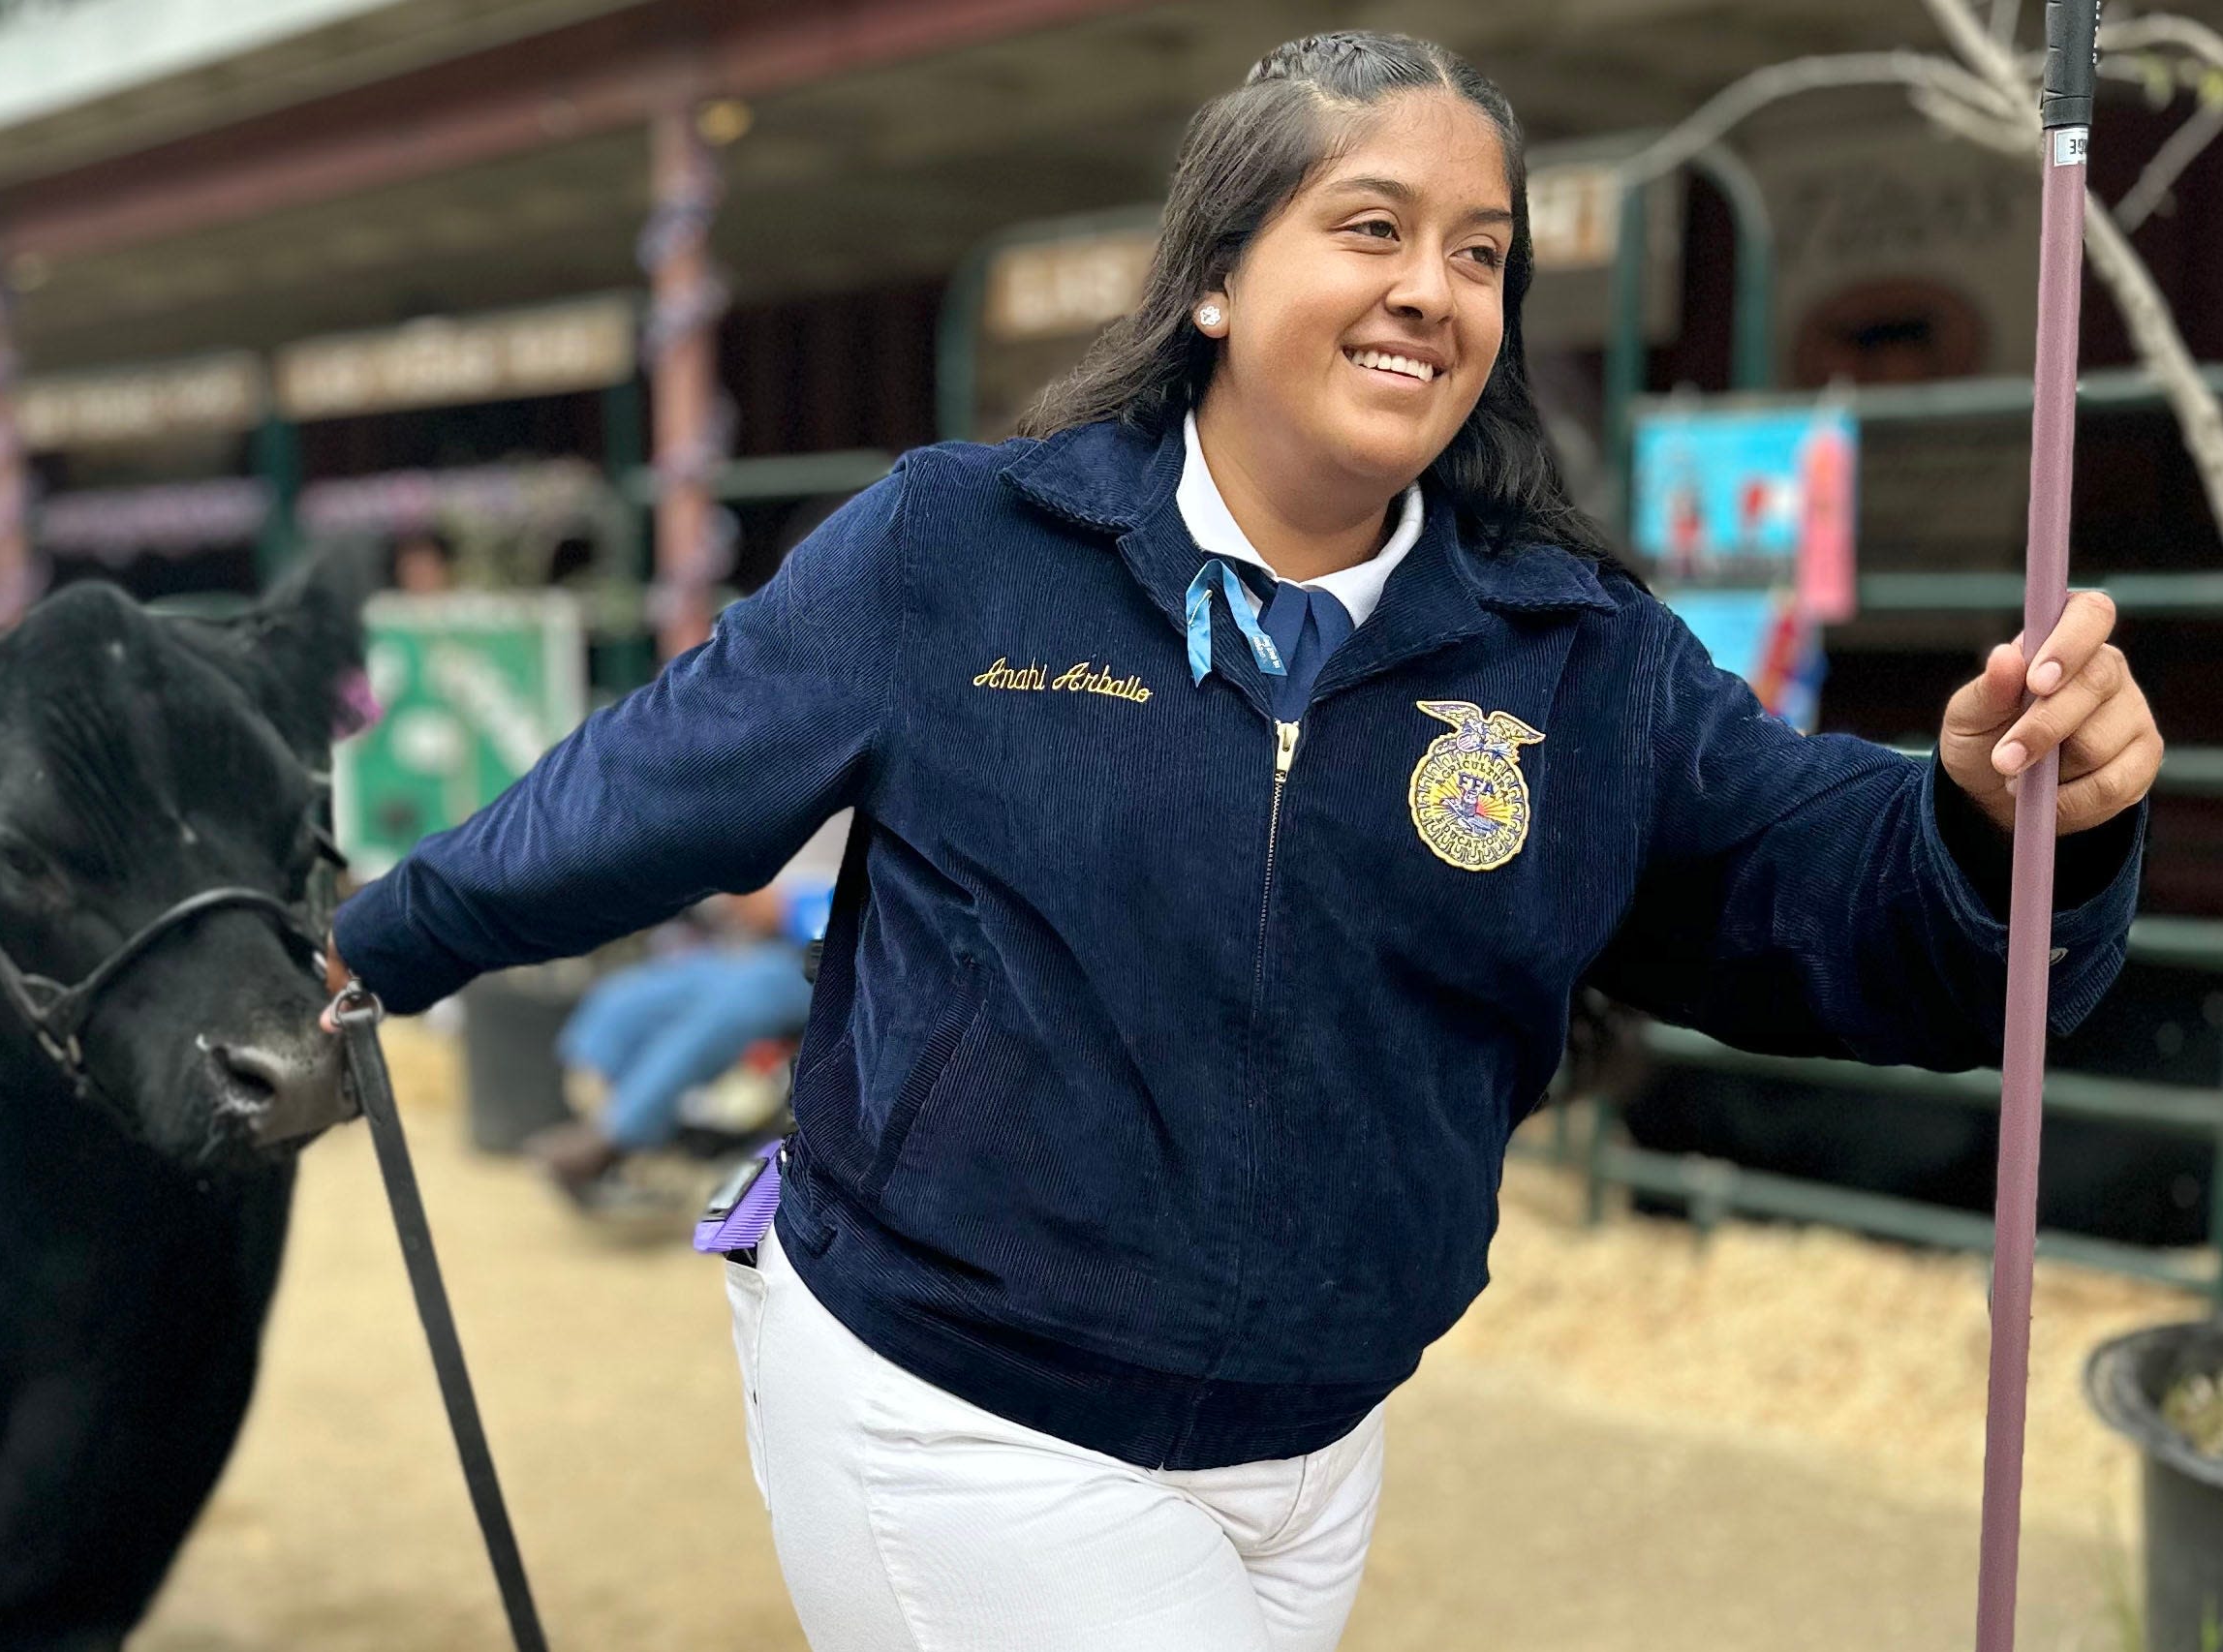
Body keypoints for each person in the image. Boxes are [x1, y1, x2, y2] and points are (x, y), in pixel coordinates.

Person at [329, 31, 2161, 1651]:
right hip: (955, 1405)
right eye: (1367, 229)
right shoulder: (956, 550)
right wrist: (380, 938)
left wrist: (1998, 817)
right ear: (1213, 279)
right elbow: (651, 782)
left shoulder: (1567, 652)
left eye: (1477, 254)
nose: (1429, 290)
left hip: (1310, 1436)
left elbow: (1802, 883)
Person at [530, 816, 845, 1200]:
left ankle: (615, 1138)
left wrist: (791, 909)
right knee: (625, 999)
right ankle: (645, 1147)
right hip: (750, 947)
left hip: (832, 962)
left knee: (737, 1001)